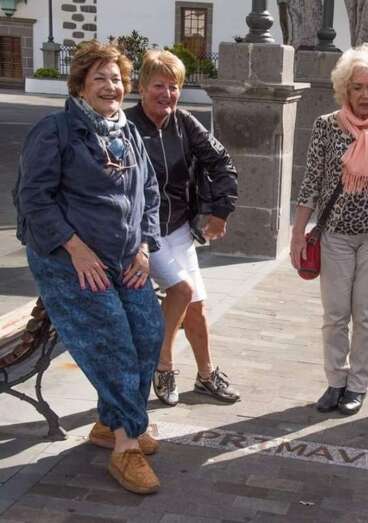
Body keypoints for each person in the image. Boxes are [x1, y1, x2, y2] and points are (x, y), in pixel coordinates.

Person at [17, 41, 164, 494]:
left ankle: (109, 424)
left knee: (148, 331)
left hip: (125, 256)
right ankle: (126, 446)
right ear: (80, 85)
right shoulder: (55, 131)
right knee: (113, 342)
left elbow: (150, 194)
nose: (110, 86)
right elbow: (33, 198)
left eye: (116, 78)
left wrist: (144, 247)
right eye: (99, 78)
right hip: (67, 259)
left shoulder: (129, 132)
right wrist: (75, 248)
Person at [291, 44, 368, 416]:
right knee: (335, 315)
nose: (365, 94)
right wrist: (298, 232)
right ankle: (335, 382)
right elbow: (311, 181)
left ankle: (358, 385)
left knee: (367, 315)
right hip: (335, 235)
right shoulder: (326, 126)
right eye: (357, 87)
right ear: (345, 89)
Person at [125, 50, 239, 407]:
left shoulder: (184, 123)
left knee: (197, 307)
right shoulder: (126, 126)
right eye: (158, 85)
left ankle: (205, 375)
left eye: (173, 87)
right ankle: (163, 366)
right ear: (142, 87)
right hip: (145, 235)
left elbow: (221, 162)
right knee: (182, 291)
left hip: (178, 228)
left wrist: (221, 211)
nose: (167, 94)